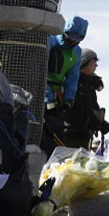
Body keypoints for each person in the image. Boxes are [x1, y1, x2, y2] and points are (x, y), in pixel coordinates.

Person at [42, 16, 88, 156]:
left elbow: (73, 78)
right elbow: (39, 72)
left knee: (56, 129)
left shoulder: (76, 52)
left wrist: (68, 101)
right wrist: (48, 99)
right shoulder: (50, 41)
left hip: (57, 94)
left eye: (76, 40)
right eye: (70, 38)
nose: (72, 42)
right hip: (40, 90)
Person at [61, 48, 109, 149]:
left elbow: (91, 108)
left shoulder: (89, 85)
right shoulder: (71, 83)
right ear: (84, 63)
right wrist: (91, 122)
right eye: (94, 62)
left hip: (85, 135)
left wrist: (101, 123)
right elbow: (73, 110)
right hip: (70, 136)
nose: (96, 65)